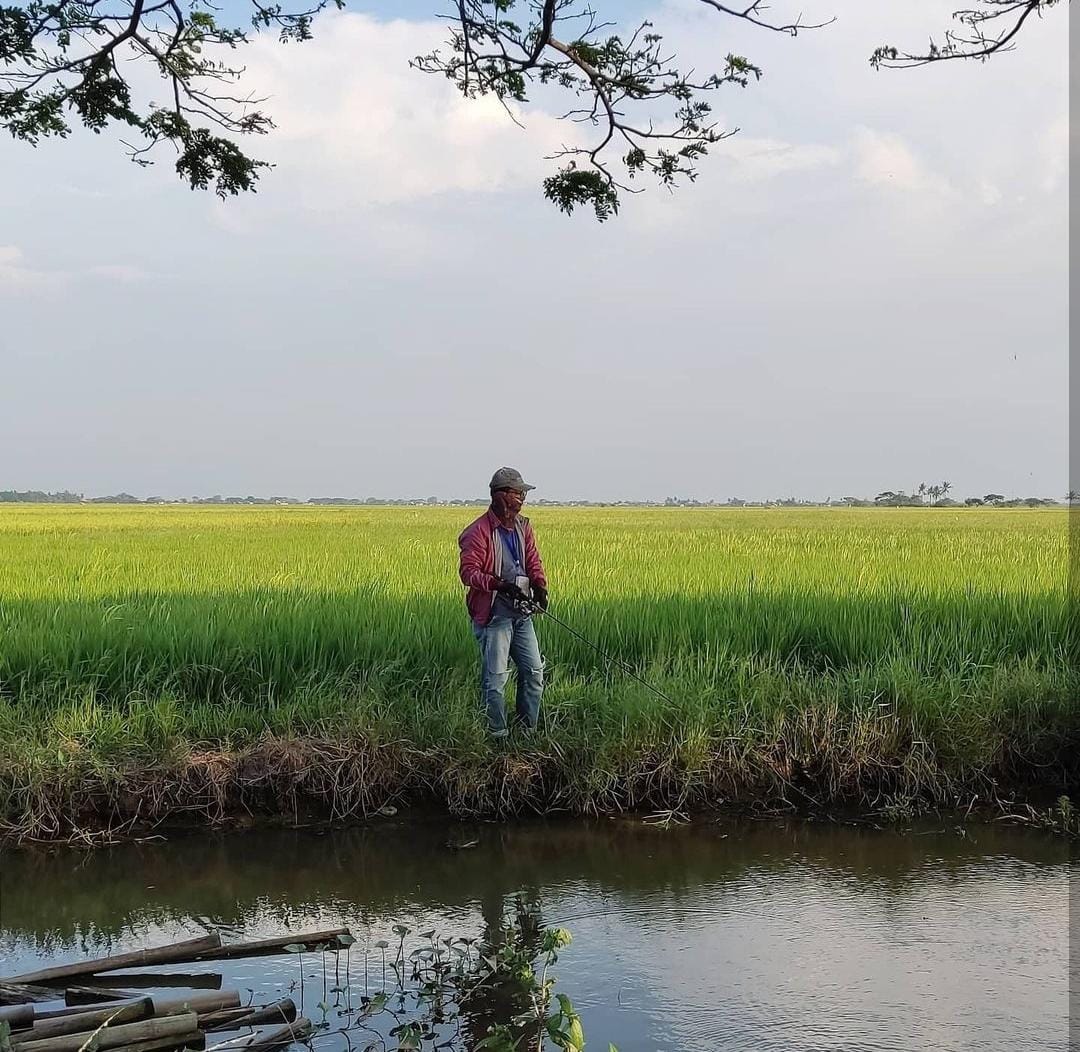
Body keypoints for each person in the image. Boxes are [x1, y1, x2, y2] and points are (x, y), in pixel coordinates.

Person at [458, 467, 549, 740]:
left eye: (523, 493)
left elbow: (533, 560)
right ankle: (497, 735)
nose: (522, 497)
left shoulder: (524, 526)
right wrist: (500, 585)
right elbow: (468, 573)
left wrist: (540, 586)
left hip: (521, 614)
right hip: (494, 616)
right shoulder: (477, 532)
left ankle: (526, 733)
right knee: (496, 679)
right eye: (517, 492)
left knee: (534, 672)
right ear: (500, 496)